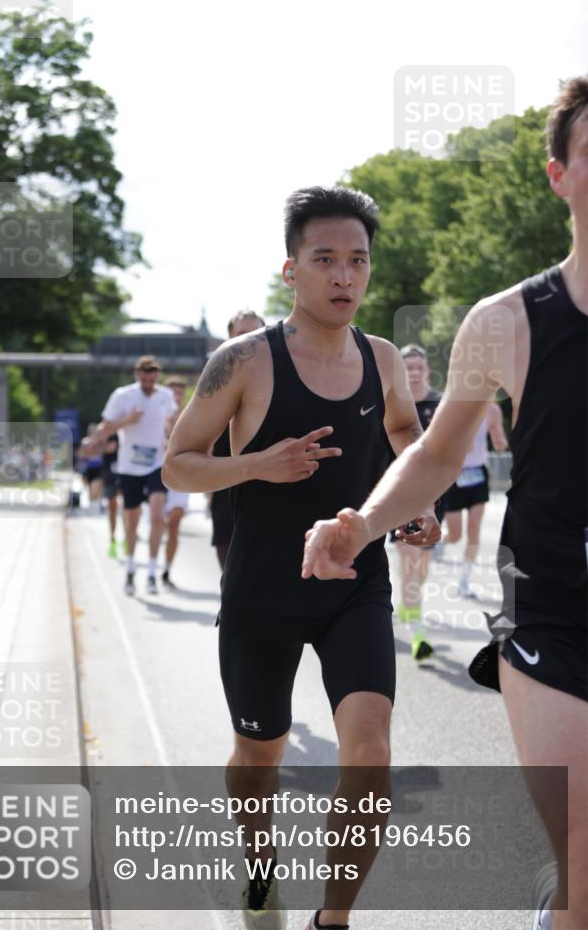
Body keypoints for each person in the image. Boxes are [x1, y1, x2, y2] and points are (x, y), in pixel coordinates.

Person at [302, 76, 588, 930]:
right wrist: (362, 524)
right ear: (557, 176)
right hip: (553, 609)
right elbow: (434, 453)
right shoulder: (505, 323)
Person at [164, 185, 439, 930]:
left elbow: (406, 436)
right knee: (259, 755)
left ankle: (333, 919)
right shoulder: (242, 361)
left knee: (370, 756)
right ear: (291, 270)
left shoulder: (382, 358)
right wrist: (259, 464)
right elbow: (177, 466)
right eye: (325, 260)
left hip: (355, 584)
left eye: (358, 261)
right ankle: (259, 866)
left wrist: (419, 502)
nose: (344, 276)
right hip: (262, 592)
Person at [93, 355, 177, 596]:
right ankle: (130, 567)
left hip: (157, 463)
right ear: (137, 375)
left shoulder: (165, 396)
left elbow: (172, 422)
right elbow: (103, 429)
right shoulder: (123, 396)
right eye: (144, 380)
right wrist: (127, 420)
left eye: (152, 380)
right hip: (129, 466)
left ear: (157, 377)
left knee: (158, 514)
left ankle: (151, 572)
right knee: (132, 520)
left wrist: (171, 438)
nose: (149, 384)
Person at [391, 343, 447, 662]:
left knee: (421, 567)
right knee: (410, 562)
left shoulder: (441, 404)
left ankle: (408, 607)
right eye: (407, 367)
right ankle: (418, 635)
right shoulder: (391, 401)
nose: (412, 372)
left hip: (437, 492)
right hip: (401, 493)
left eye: (417, 367)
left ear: (427, 370)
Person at [209, 310, 266, 569]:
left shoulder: (289, 377)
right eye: (242, 334)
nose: (250, 340)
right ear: (229, 339)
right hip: (227, 492)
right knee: (231, 573)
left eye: (257, 333)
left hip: (275, 496)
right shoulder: (215, 382)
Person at [443, 402, 508, 597]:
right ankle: (441, 543)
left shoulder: (492, 410)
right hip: (454, 474)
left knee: (474, 527)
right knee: (455, 535)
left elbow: (499, 440)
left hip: (478, 474)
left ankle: (464, 580)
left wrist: (499, 442)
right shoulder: (451, 406)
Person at [161, 376, 190, 589]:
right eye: (172, 393)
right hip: (156, 475)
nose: (176, 397)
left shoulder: (191, 416)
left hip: (180, 476)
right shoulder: (158, 415)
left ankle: (166, 570)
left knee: (174, 525)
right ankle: (153, 564)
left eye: (180, 393)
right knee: (158, 524)